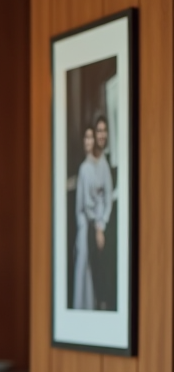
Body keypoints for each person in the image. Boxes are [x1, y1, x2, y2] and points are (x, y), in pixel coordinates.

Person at [85, 114, 114, 310]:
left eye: (104, 131)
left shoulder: (106, 160)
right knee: (97, 269)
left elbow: (108, 195)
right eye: (99, 131)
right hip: (96, 226)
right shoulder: (91, 163)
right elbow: (95, 198)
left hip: (105, 224)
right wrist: (98, 226)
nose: (101, 135)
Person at [73, 125, 97, 310]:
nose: (89, 141)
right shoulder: (83, 168)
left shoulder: (93, 167)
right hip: (83, 226)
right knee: (82, 268)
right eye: (86, 137)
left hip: (89, 224)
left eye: (91, 137)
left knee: (88, 269)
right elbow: (81, 203)